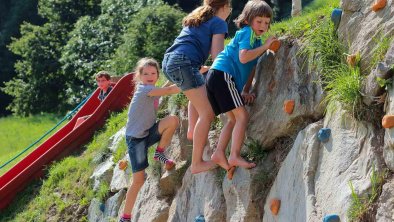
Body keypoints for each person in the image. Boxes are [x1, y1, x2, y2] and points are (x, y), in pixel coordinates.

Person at [206, 0, 277, 179]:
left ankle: (219, 152)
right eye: (259, 21)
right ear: (248, 20)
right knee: (243, 116)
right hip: (223, 75)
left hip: (217, 76)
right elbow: (244, 57)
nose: (263, 25)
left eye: (267, 22)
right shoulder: (247, 33)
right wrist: (266, 47)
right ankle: (234, 155)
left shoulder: (256, 40)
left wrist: (245, 90)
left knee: (232, 120)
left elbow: (250, 68)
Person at [162, 0, 231, 174]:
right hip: (184, 63)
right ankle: (197, 163)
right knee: (207, 114)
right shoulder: (218, 23)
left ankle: (193, 129)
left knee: (199, 88)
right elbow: (217, 56)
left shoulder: (197, 18)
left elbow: (188, 46)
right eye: (229, 7)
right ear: (224, 8)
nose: (229, 11)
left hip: (170, 61)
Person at [120, 58, 180, 222]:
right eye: (145, 73)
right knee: (138, 180)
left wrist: (177, 75)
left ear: (157, 75)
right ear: (139, 76)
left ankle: (159, 153)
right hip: (136, 141)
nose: (150, 76)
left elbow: (164, 88)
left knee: (173, 120)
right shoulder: (144, 90)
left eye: (153, 73)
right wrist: (190, 79)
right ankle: (125, 217)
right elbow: (168, 91)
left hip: (147, 133)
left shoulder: (153, 89)